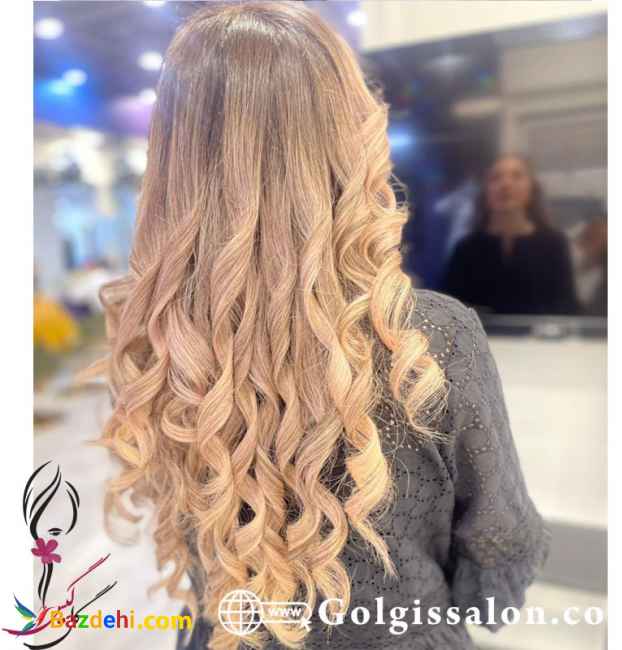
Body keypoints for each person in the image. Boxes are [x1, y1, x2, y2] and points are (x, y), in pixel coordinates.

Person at [88, 3, 550, 649]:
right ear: (349, 131)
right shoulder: (429, 337)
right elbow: (503, 541)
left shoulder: (152, 337)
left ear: (175, 153)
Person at [443, 154, 580, 315]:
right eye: (496, 178)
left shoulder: (554, 244)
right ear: (485, 190)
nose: (506, 184)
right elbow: (448, 309)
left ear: (532, 189)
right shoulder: (466, 248)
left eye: (517, 176)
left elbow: (567, 307)